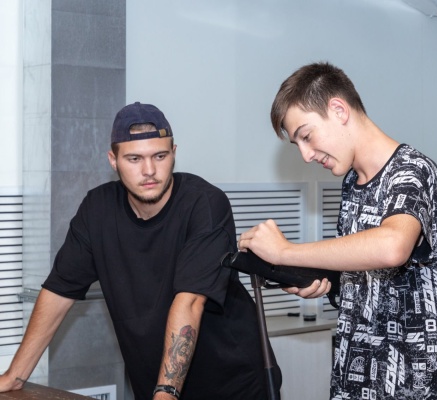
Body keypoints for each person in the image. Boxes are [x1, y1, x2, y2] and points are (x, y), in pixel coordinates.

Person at [0, 102, 281, 400]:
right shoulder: (97, 210)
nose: (149, 171)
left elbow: (190, 301)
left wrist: (166, 393)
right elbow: (58, 292)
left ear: (174, 153)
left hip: (233, 384)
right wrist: (14, 375)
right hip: (156, 385)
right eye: (134, 159)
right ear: (113, 160)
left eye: (159, 156)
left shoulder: (204, 204)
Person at [238, 62, 437, 400]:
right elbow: (375, 277)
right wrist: (322, 281)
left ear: (339, 110)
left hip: (409, 388)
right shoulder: (352, 183)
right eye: (298, 144)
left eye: (306, 136)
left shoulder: (412, 172)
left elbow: (392, 247)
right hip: (353, 381)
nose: (306, 155)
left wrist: (286, 251)